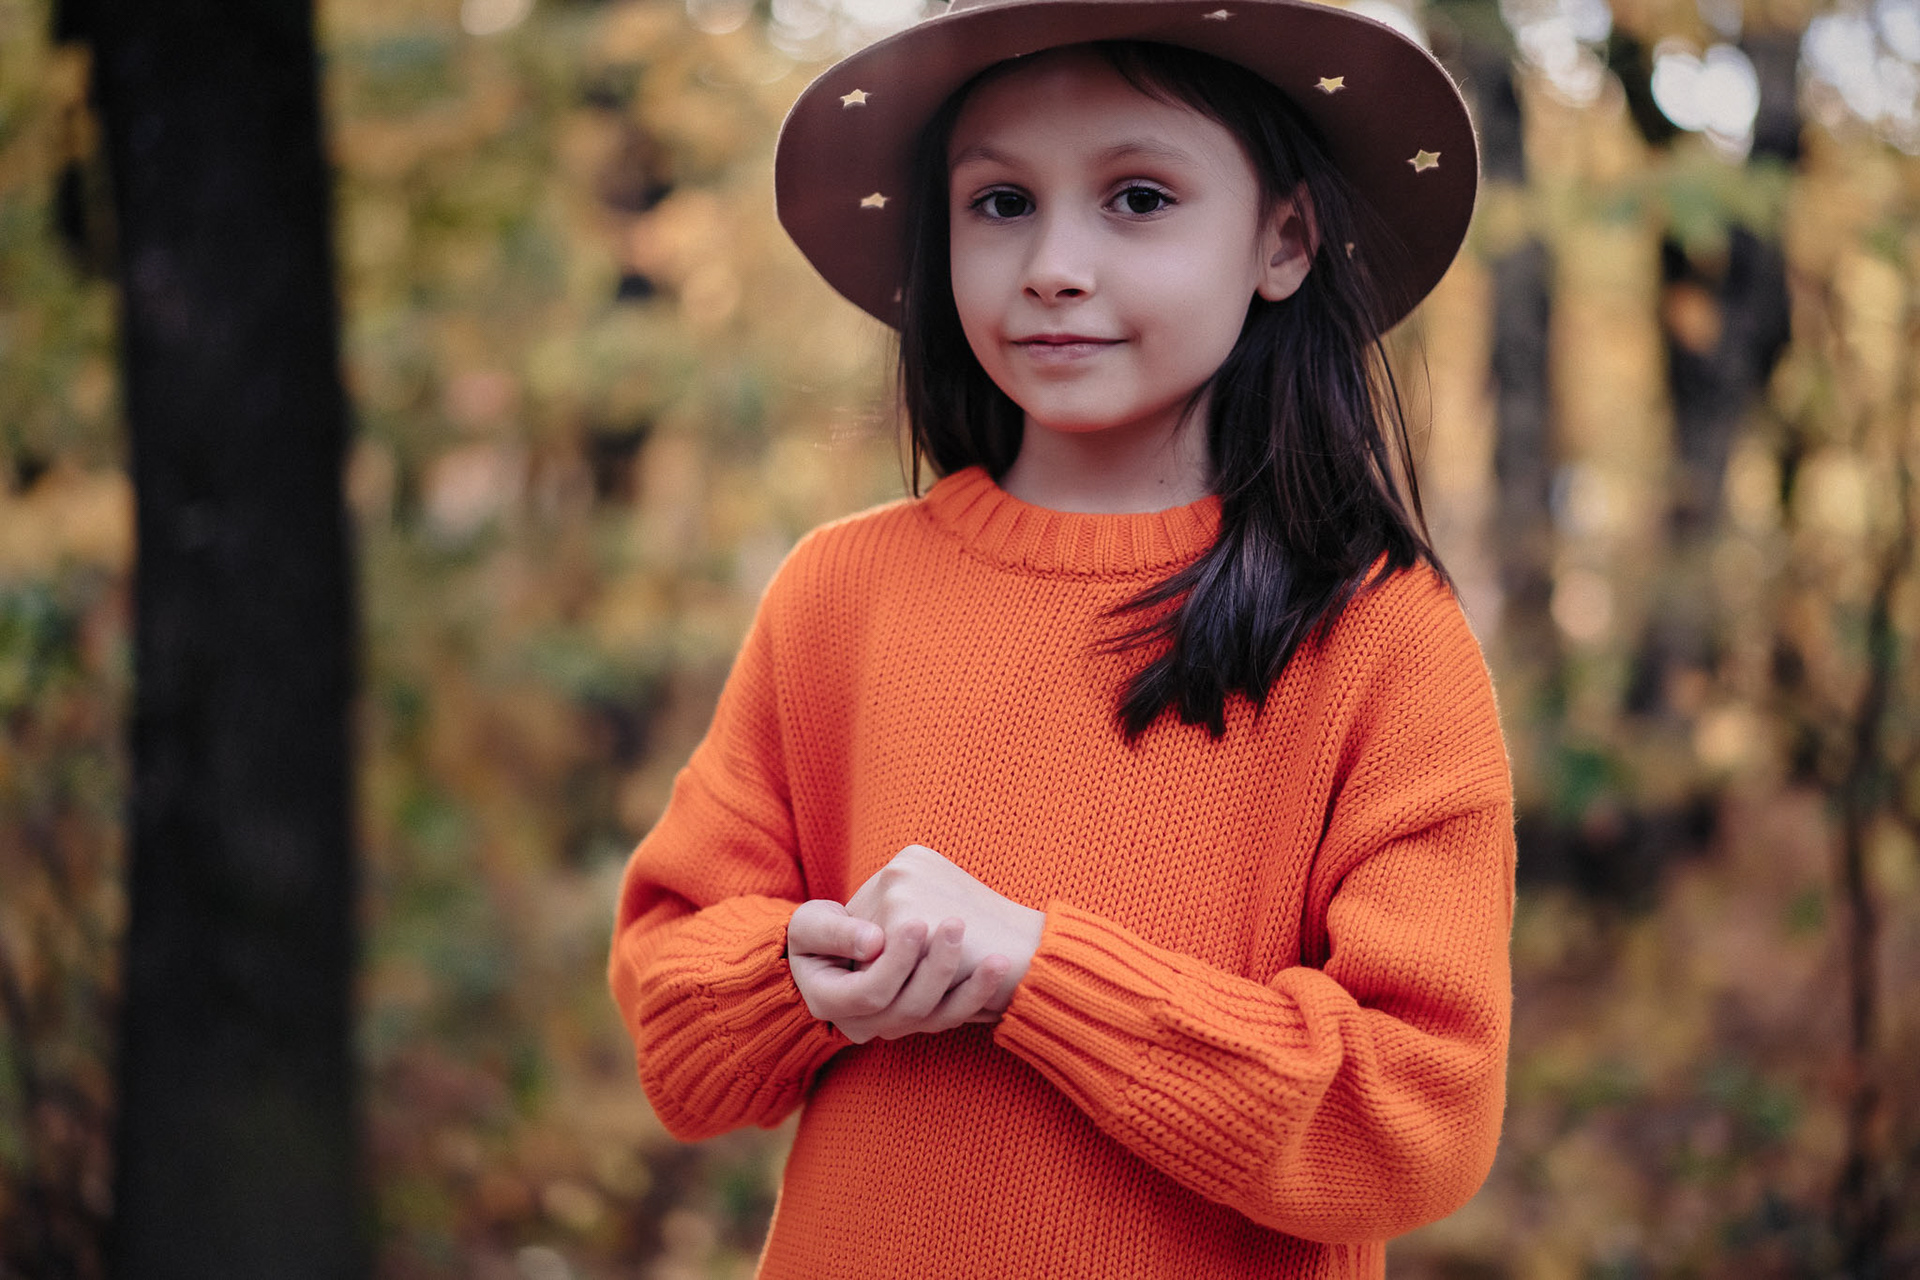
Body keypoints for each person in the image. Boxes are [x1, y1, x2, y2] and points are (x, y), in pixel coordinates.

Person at [609, 1, 1513, 1275]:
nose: (1052, 263)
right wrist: (801, 978)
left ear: (1284, 239)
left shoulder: (1379, 635)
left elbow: (1414, 1117)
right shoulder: (839, 596)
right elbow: (674, 1024)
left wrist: (1038, 970)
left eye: (1138, 198)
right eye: (999, 203)